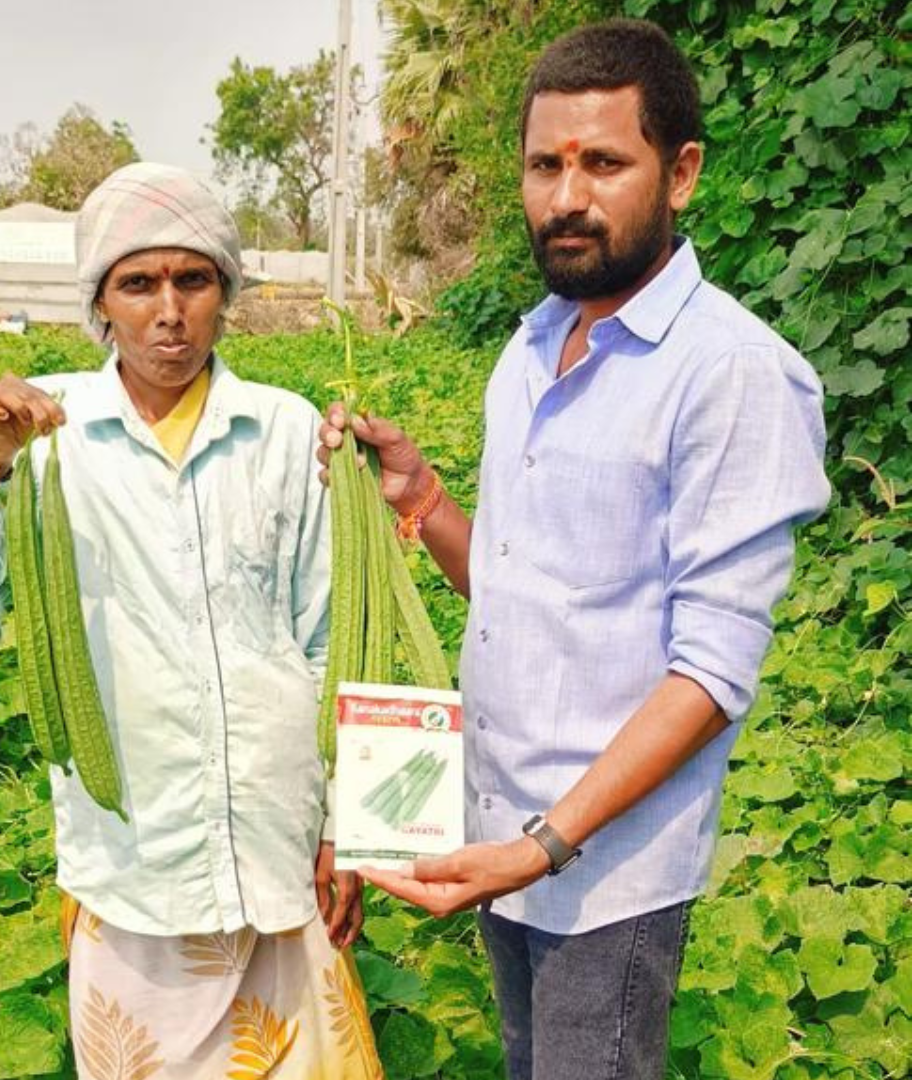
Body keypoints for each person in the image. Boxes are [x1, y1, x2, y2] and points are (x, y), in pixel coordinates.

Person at [320, 19, 829, 1080]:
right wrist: (421, 503)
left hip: (607, 873)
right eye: (545, 165)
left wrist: (547, 844)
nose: (567, 196)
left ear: (680, 172)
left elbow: (712, 672)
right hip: (501, 827)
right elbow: (519, 586)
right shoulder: (532, 344)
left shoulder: (732, 373)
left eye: (604, 162)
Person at [0, 162, 383, 1080]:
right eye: (138, 283)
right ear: (102, 304)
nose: (168, 310)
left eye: (192, 280)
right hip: (130, 872)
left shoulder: (286, 433)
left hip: (277, 863)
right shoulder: (40, 433)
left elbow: (333, 641)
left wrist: (350, 828)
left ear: (224, 295)